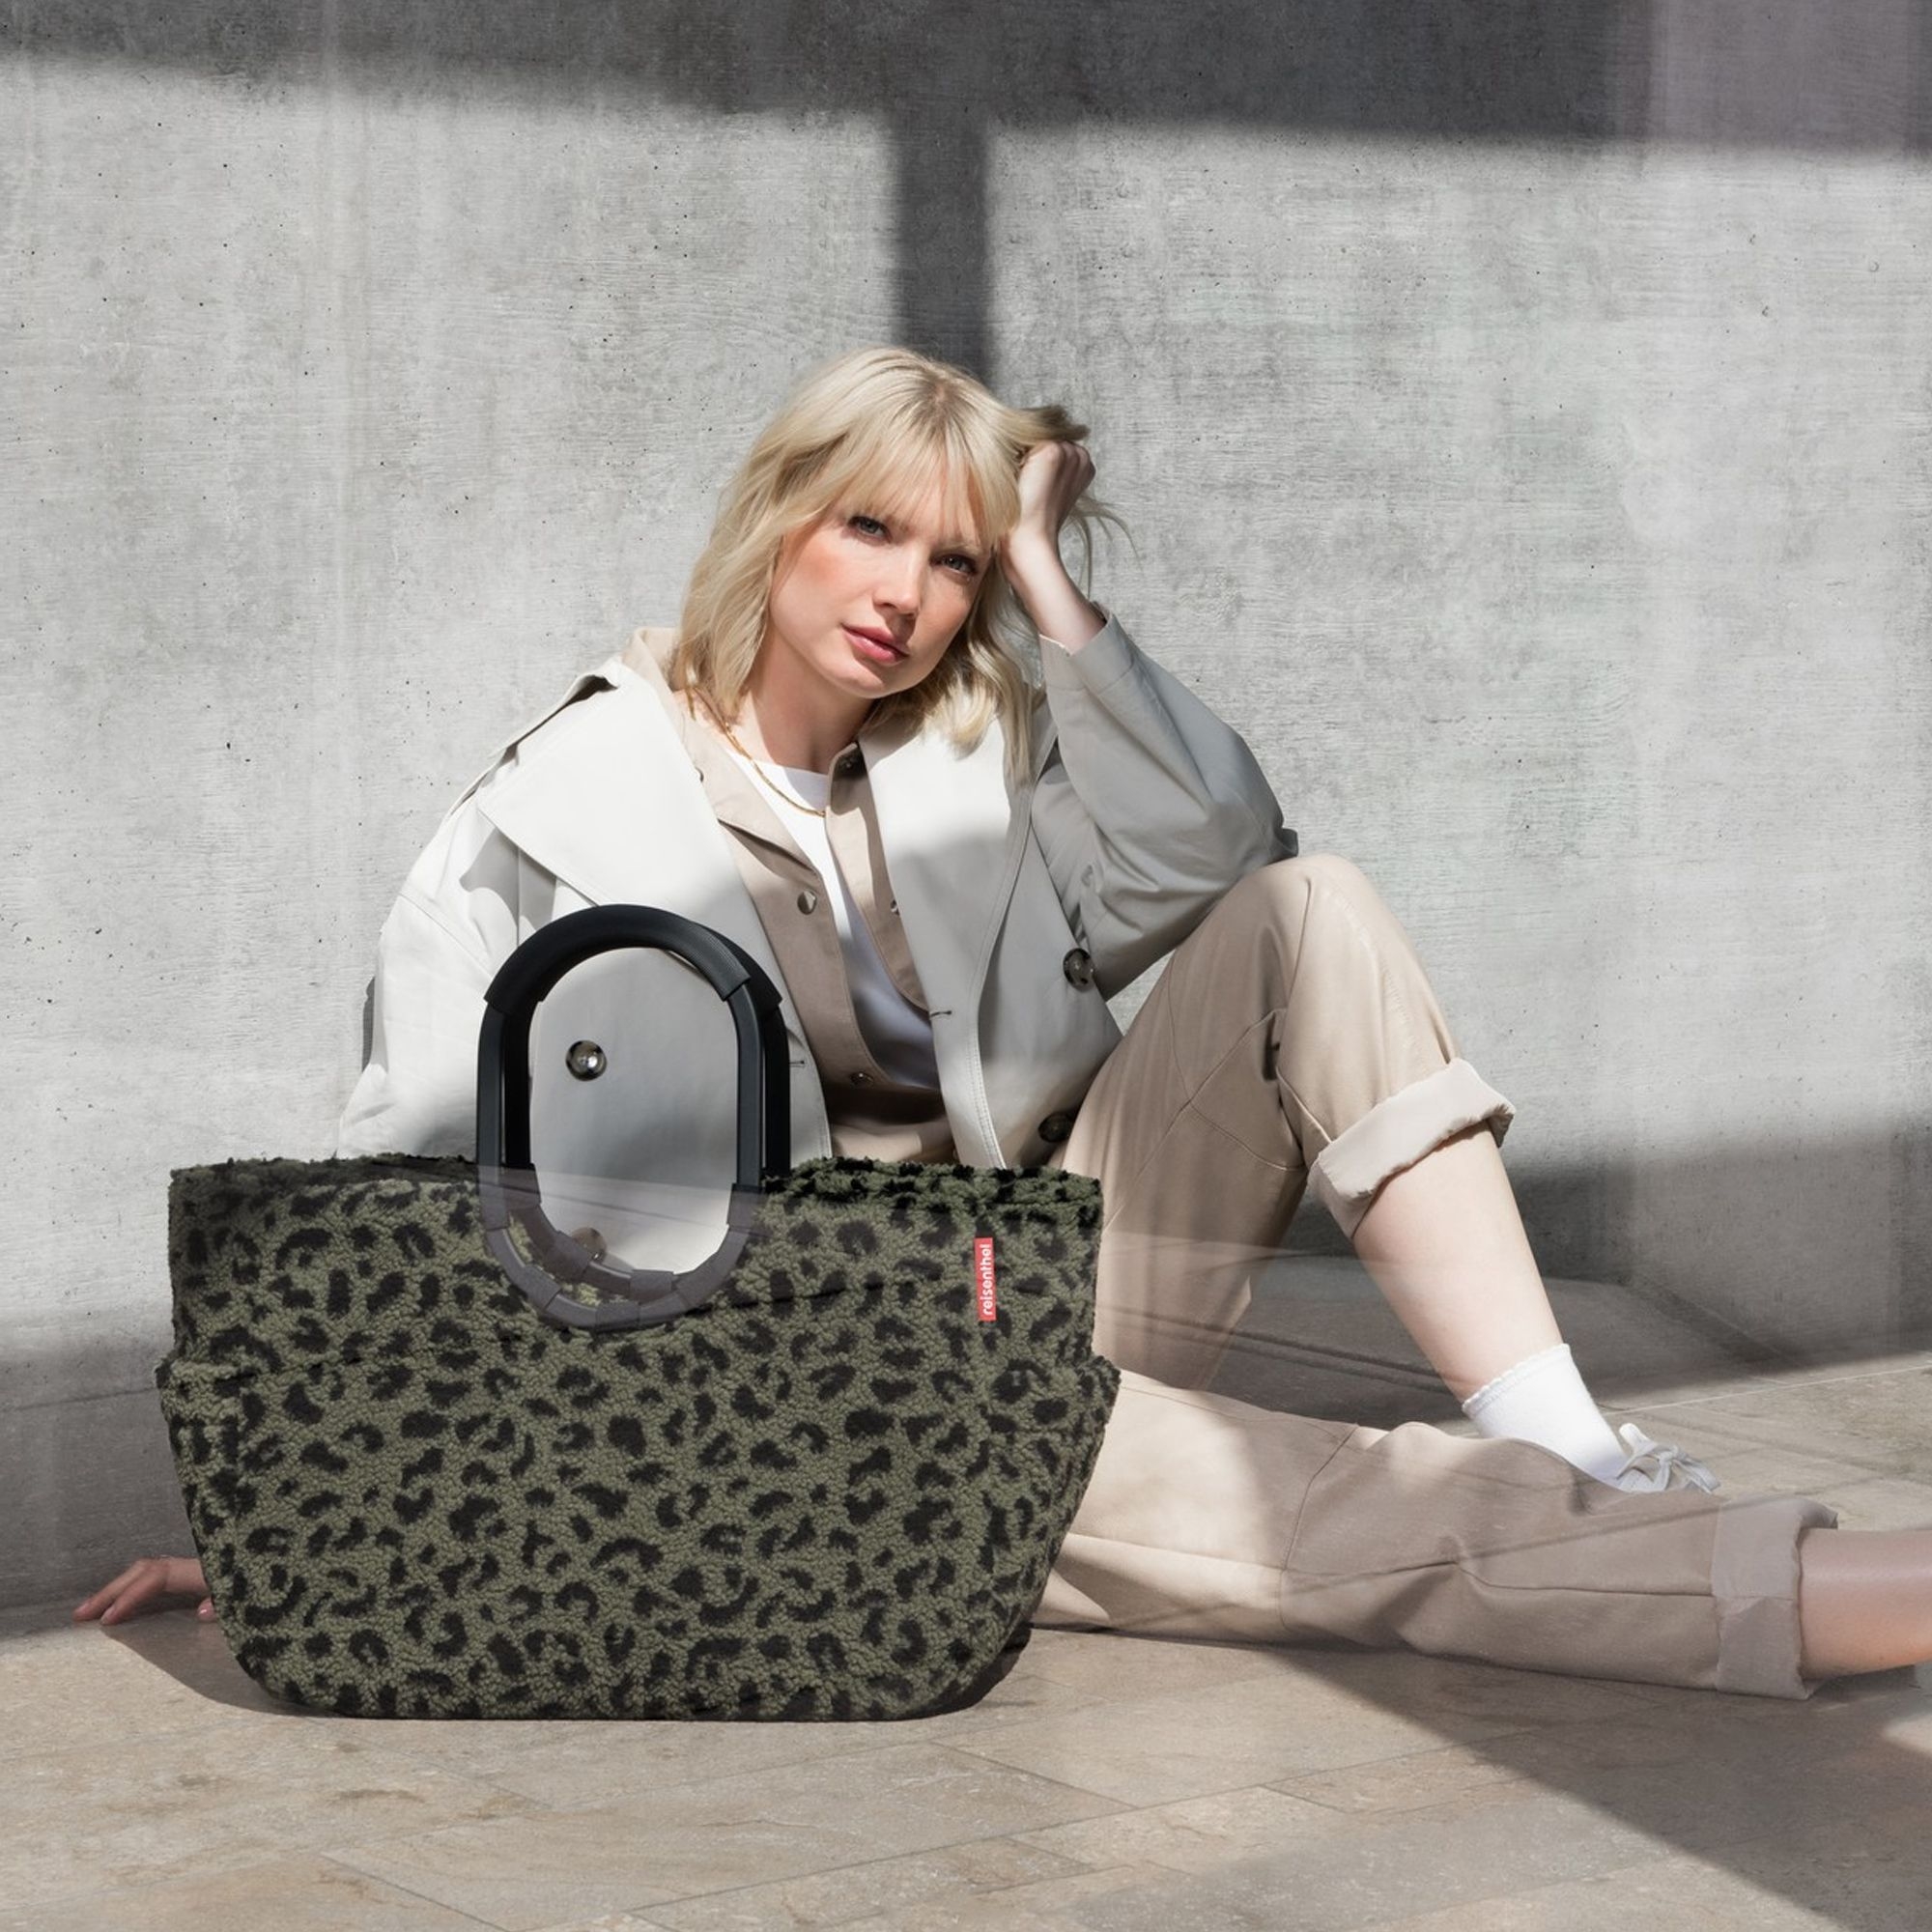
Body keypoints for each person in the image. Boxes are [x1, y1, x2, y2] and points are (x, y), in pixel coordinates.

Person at [80, 346, 1932, 1698]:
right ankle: (1839, 1593)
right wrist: (323, 1516)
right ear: (776, 523)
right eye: (871, 530)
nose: (906, 594)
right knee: (1315, 1504)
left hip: (1024, 1280)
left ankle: (1574, 1445)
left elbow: (1222, 849)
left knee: (1314, 913)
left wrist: (1054, 589)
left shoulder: (963, 755)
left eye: (953, 560)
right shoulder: (554, 814)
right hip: (793, 1395)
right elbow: (405, 1189)